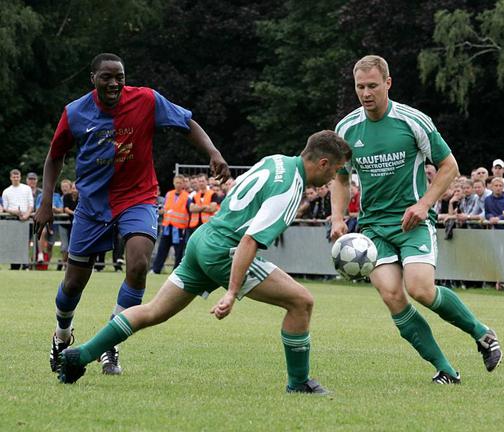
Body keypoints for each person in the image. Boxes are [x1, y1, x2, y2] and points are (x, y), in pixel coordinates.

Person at [56, 130, 350, 393]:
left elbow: (235, 195)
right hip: (224, 250)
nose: (334, 178)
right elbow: (249, 241)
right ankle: (299, 382)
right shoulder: (291, 189)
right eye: (336, 170)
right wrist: (232, 293)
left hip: (203, 238)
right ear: (323, 163)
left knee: (154, 311)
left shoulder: (276, 161)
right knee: (302, 302)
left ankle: (77, 357)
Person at [34, 52, 230, 376]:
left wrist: (213, 152)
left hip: (137, 198)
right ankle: (62, 336)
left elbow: (187, 123)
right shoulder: (74, 113)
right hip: (93, 205)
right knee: (73, 283)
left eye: (119, 77)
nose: (114, 83)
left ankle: (109, 345)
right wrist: (45, 202)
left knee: (138, 264)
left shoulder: (146, 100)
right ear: (93, 79)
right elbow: (55, 157)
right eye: (106, 77)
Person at [331, 55, 502, 384]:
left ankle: (483, 335)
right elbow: (340, 178)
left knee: (420, 289)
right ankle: (446, 371)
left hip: (413, 222)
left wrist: (424, 204)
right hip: (373, 229)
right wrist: (338, 216)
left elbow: (449, 166)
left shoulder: (413, 121)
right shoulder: (347, 129)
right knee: (393, 296)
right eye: (360, 87)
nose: (366, 93)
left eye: (372, 86)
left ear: (388, 84)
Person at [151, 174, 190, 274]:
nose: (178, 184)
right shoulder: (169, 194)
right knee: (162, 249)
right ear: (173, 183)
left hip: (179, 228)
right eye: (177, 182)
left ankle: (176, 271)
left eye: (180, 183)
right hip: (167, 227)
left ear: (183, 184)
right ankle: (156, 269)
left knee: (179, 252)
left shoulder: (187, 197)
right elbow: (165, 208)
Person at [2, 169, 34, 270]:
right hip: (12, 219)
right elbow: (5, 208)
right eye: (14, 177)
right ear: (11, 178)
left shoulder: (27, 188)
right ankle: (14, 266)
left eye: (17, 176)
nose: (16, 178)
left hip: (26, 219)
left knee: (25, 242)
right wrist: (14, 212)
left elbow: (31, 204)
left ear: (20, 177)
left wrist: (26, 215)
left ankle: (25, 264)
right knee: (14, 243)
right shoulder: (6, 191)